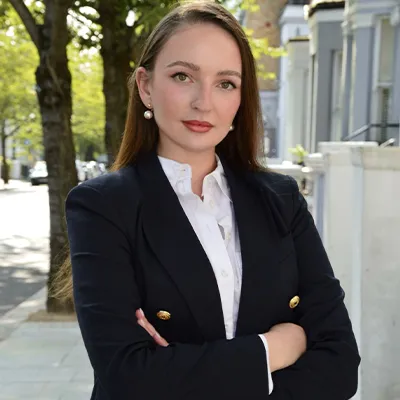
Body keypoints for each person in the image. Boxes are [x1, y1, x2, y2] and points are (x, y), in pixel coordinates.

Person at [53, 2, 360, 399]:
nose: (204, 102)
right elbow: (127, 376)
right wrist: (277, 346)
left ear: (240, 99)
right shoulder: (102, 206)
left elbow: (340, 367)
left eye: (226, 83)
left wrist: (184, 368)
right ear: (146, 86)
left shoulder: (281, 200)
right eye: (183, 76)